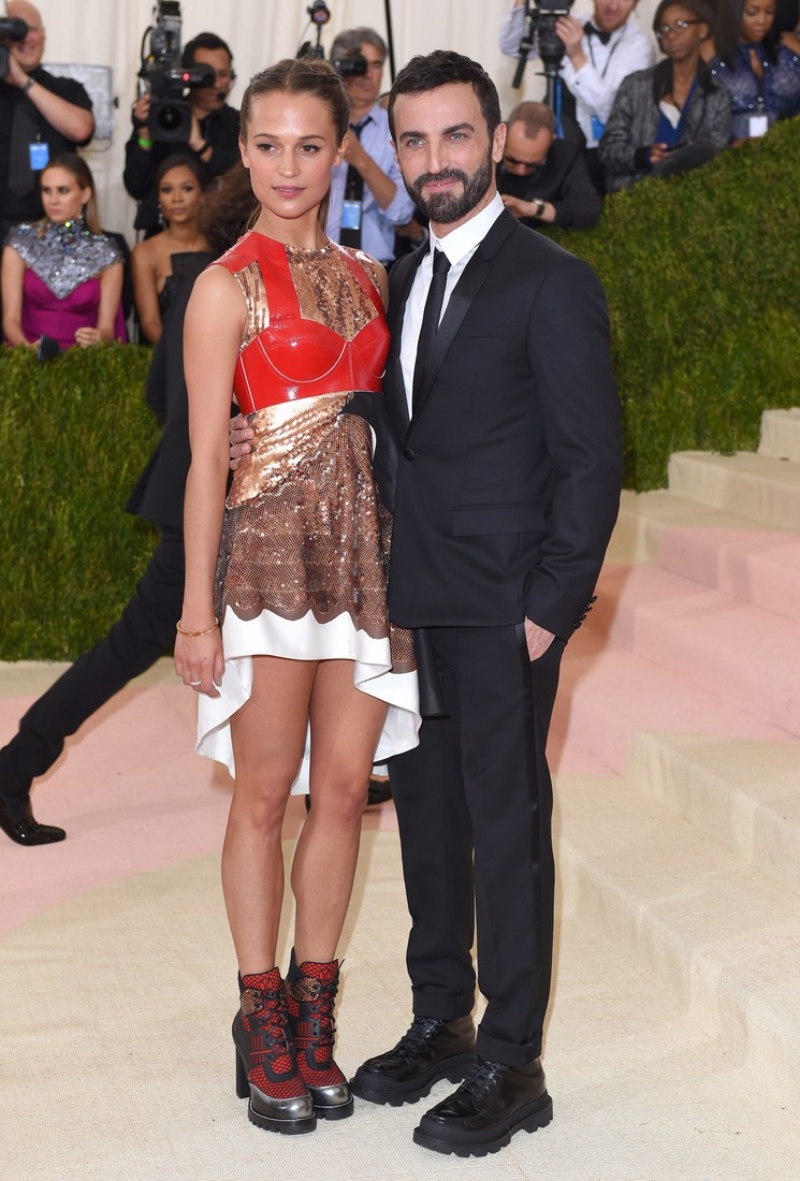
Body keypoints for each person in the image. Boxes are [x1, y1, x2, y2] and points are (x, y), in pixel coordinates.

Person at [344, 49, 622, 1157]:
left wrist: (548, 606)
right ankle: (439, 1016)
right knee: (426, 818)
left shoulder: (551, 279)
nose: (433, 160)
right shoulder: (404, 280)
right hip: (416, 603)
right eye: (411, 141)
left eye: (453, 136)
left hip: (506, 607)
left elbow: (590, 457)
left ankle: (513, 1059)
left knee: (504, 830)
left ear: (494, 141)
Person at [175, 58, 419, 1135]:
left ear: (338, 151)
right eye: (266, 144)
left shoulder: (374, 277)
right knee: (263, 797)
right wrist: (194, 610)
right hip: (267, 571)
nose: (287, 166)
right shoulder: (223, 283)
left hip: (362, 569)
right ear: (242, 151)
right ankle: (258, 1011)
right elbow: (199, 462)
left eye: (308, 145)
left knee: (341, 795)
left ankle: (313, 1013)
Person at [0, 163, 257, 849]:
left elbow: (154, 394)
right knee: (138, 642)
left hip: (215, 495)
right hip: (214, 499)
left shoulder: (203, 280)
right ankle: (14, 764)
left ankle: (340, 769)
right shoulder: (248, 286)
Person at [499, 0, 655, 191]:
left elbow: (610, 109)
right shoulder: (569, 23)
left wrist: (577, 54)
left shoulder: (640, 47)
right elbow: (512, 46)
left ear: (635, 3)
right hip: (558, 141)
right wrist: (520, 4)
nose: (613, 5)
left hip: (602, 153)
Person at [600, 0, 731, 191]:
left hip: (691, 199)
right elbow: (608, 149)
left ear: (702, 29)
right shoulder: (635, 86)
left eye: (681, 25)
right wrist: (642, 156)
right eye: (664, 29)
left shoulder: (716, 93)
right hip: (634, 196)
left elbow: (716, 154)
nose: (671, 35)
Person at [2, 152, 124, 349]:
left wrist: (99, 337)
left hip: (82, 366)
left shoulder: (106, 255)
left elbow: (108, 329)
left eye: (63, 190)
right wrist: (29, 349)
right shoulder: (20, 245)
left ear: (85, 194)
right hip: (26, 361)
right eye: (46, 190)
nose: (53, 200)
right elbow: (10, 321)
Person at [124, 32, 240, 235]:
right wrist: (144, 135)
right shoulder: (161, 117)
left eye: (223, 75)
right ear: (189, 76)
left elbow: (242, 183)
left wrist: (200, 146)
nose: (217, 84)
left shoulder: (240, 123)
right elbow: (136, 187)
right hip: (162, 238)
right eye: (207, 76)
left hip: (222, 239)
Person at [0, 0, 94, 243]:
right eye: (16, 31)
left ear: (44, 35)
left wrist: (22, 80)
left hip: (54, 227)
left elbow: (81, 129)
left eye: (31, 29)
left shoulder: (66, 89)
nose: (26, 38)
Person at [324, 27, 415, 266]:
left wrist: (360, 159)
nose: (368, 74)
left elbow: (402, 212)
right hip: (317, 260)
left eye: (376, 65)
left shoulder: (397, 129)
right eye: (359, 64)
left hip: (375, 267)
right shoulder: (320, 126)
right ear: (340, 67)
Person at [130, 154, 210, 343]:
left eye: (187, 189)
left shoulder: (223, 246)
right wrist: (179, 360)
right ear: (159, 198)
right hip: (166, 360)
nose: (176, 198)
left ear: (202, 193)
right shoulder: (145, 253)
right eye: (167, 190)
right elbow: (150, 323)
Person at [498, 101, 602, 229]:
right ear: (503, 135)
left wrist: (536, 209)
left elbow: (587, 208)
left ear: (551, 142)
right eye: (512, 160)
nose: (521, 170)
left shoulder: (565, 155)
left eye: (533, 164)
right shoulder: (484, 144)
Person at [710, 0, 800, 142]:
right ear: (734, 12)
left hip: (787, 151)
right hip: (732, 157)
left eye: (770, 12)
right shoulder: (712, 58)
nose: (762, 21)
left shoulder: (788, 52)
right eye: (752, 13)